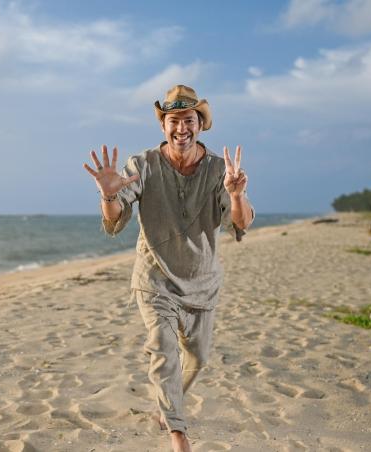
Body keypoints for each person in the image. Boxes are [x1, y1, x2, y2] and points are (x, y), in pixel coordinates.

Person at [83, 85, 254, 452]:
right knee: (163, 348)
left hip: (201, 282)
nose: (181, 128)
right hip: (155, 279)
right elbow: (115, 221)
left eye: (188, 120)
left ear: (200, 124)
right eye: (173, 121)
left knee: (198, 357)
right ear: (163, 125)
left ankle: (168, 406)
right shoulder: (142, 165)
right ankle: (178, 432)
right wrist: (109, 195)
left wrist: (237, 195)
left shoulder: (219, 171)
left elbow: (240, 223)